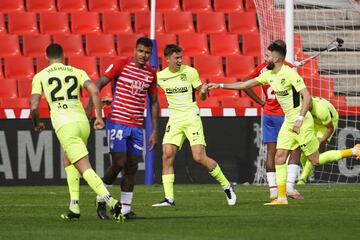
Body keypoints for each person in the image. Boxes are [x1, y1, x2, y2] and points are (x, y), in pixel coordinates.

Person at [208, 40, 360, 205]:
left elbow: (307, 97)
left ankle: (353, 151)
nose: (266, 59)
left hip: (301, 122)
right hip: (288, 122)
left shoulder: (290, 74)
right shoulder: (268, 75)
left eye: (268, 56)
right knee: (279, 158)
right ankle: (281, 198)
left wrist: (300, 119)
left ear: (276, 58)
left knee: (315, 160)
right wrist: (219, 85)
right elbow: (245, 84)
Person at [30, 43, 123, 221]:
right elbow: (95, 90)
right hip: (82, 122)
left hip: (65, 125)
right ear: (63, 55)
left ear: (46, 56)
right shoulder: (76, 71)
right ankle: (74, 207)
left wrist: (37, 123)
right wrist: (98, 117)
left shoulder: (40, 76)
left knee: (83, 166)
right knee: (68, 159)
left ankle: (112, 202)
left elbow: (34, 106)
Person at [152, 44, 236, 207]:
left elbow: (202, 96)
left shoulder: (190, 72)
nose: (179, 61)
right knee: (167, 155)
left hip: (191, 117)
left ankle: (227, 186)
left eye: (180, 57)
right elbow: (146, 93)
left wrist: (203, 91)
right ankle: (169, 198)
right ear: (167, 59)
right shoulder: (160, 77)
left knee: (198, 157)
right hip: (174, 119)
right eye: (176, 58)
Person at [86, 37, 158, 219]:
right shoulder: (120, 65)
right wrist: (90, 111)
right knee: (119, 162)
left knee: (132, 167)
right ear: (135, 50)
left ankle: (125, 209)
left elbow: (154, 102)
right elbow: (99, 84)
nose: (143, 55)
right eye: (140, 51)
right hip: (118, 121)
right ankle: (101, 199)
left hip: (136, 126)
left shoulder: (151, 73)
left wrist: (155, 130)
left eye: (147, 52)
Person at [242, 48, 303, 200]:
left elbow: (244, 83)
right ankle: (289, 186)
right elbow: (299, 91)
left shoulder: (262, 69)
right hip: (284, 114)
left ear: (275, 56)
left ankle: (273, 190)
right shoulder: (286, 67)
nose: (265, 56)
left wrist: (261, 102)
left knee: (271, 152)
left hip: (268, 114)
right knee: (295, 149)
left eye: (268, 54)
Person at [297, 97, 339, 184]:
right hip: (314, 122)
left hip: (328, 124)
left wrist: (321, 141)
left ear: (310, 103)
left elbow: (330, 128)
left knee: (314, 149)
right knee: (303, 150)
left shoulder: (321, 110)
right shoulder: (300, 107)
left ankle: (302, 179)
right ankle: (309, 172)